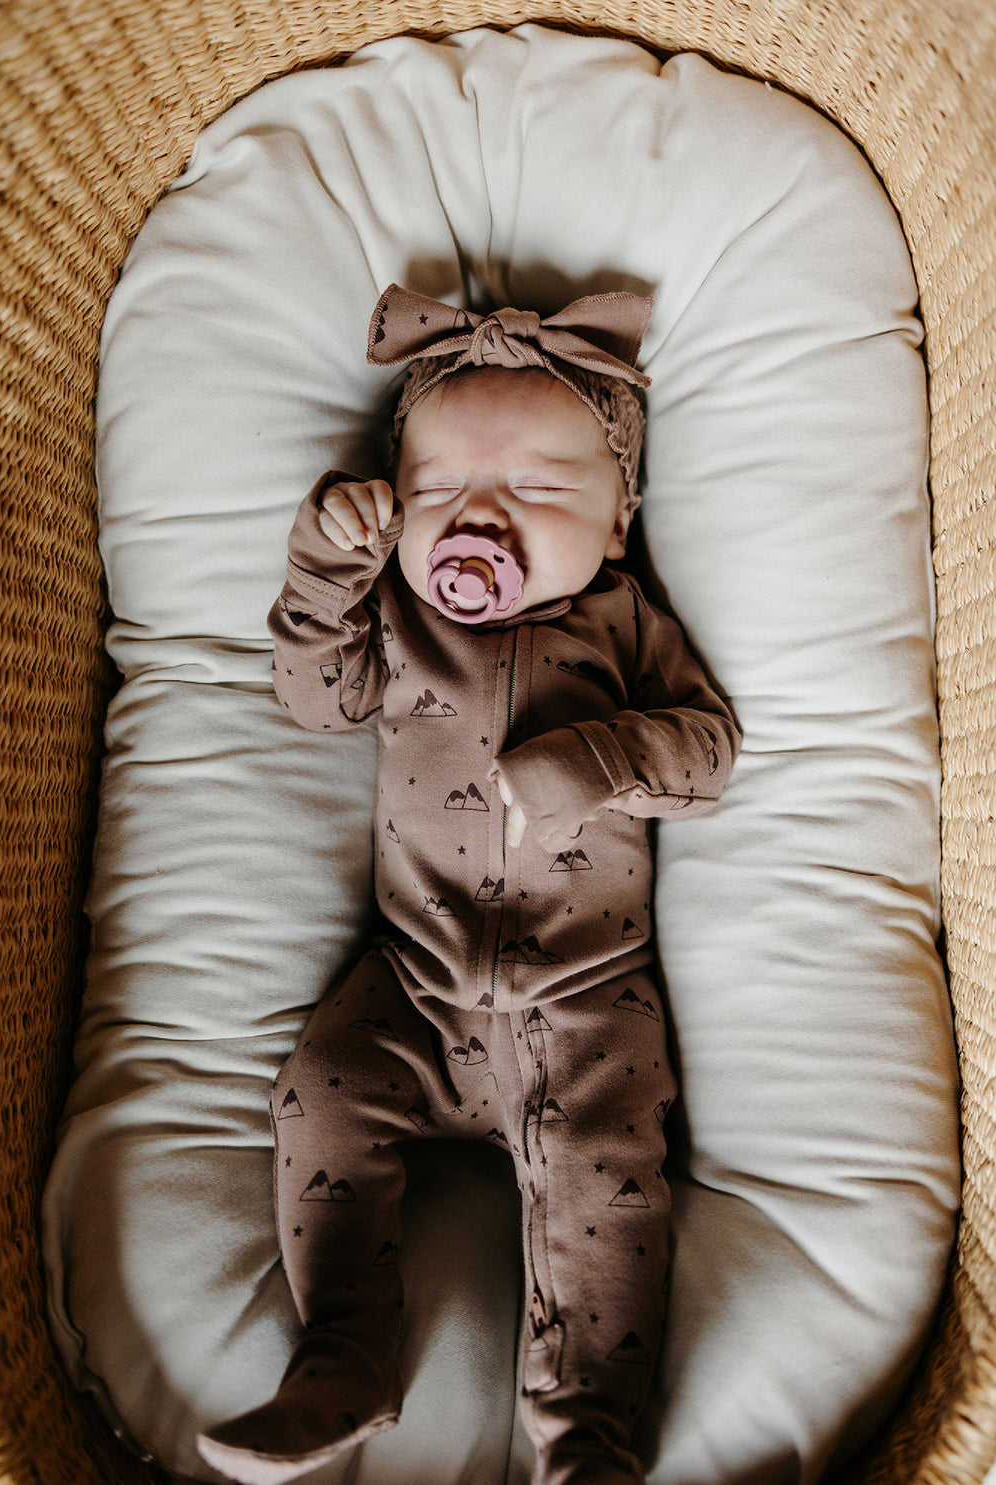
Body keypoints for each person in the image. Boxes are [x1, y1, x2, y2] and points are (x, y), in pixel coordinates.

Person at [197, 285, 741, 1485]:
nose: (477, 518)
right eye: (436, 492)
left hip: (590, 1000)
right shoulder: (396, 618)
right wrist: (325, 569)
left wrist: (597, 762)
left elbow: (705, 755)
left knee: (607, 1191)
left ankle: (588, 1435)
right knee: (320, 1093)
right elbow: (315, 695)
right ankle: (344, 1350)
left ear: (616, 521)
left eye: (538, 492)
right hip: (416, 981)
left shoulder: (624, 622)